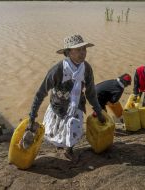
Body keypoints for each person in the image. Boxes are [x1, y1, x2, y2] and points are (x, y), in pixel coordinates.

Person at [24, 34, 105, 162]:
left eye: (84, 49)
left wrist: (99, 111)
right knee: (55, 131)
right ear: (68, 52)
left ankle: (69, 150)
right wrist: (32, 117)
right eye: (78, 50)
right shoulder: (57, 70)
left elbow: (91, 93)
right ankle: (60, 146)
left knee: (74, 127)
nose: (83, 53)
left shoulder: (86, 69)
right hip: (58, 106)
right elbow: (41, 93)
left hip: (77, 104)